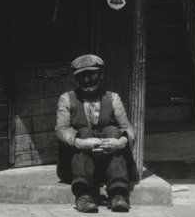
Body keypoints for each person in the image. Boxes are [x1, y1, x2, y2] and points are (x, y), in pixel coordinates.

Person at [55, 54, 138, 213]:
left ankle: (118, 194)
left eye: (91, 74)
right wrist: (80, 142)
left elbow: (128, 127)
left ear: (101, 75)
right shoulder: (66, 99)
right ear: (76, 79)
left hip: (108, 164)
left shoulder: (113, 98)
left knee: (113, 131)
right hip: (78, 165)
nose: (86, 80)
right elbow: (61, 130)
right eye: (81, 76)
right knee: (84, 133)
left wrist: (122, 141)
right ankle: (83, 195)